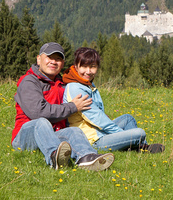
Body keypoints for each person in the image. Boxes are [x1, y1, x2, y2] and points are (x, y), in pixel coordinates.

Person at [12, 42, 114, 171]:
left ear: (63, 63)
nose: (54, 62)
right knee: (41, 122)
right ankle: (54, 156)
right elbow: (39, 112)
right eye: (49, 57)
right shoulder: (29, 82)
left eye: (58, 59)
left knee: (74, 131)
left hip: (53, 134)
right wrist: (72, 107)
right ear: (39, 59)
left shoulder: (62, 84)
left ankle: (87, 158)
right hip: (26, 136)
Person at [62, 47, 165, 153]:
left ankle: (138, 148)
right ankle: (141, 147)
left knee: (128, 119)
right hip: (92, 140)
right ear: (76, 67)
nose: (88, 71)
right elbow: (96, 119)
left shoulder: (86, 83)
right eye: (84, 66)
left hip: (99, 131)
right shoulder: (75, 87)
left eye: (92, 67)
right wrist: (121, 135)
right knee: (139, 133)